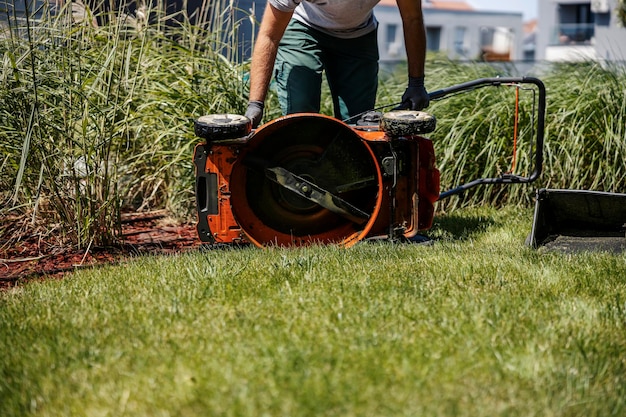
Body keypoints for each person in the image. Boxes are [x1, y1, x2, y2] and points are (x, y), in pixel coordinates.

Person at [244, 0, 430, 128]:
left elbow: (412, 18)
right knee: (302, 113)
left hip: (358, 34)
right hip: (304, 27)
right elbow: (269, 36)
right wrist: (256, 104)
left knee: (359, 123)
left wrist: (416, 83)